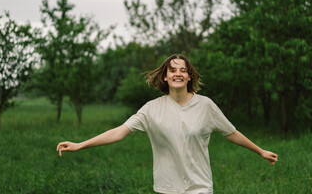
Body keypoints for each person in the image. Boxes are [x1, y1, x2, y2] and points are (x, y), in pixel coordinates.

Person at [57, 54, 278, 194]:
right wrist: (79, 144)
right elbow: (118, 133)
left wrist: (260, 151)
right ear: (165, 77)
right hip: (167, 188)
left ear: (189, 76)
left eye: (183, 70)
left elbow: (231, 133)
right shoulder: (151, 109)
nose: (178, 73)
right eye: (173, 70)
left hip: (200, 187)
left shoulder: (206, 105)